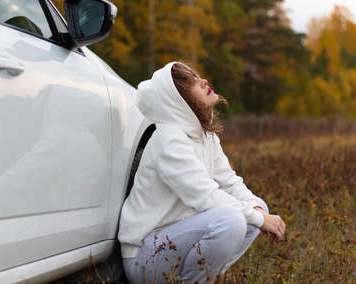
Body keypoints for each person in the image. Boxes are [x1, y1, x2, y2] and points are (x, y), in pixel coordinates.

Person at [118, 61, 286, 283]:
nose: (203, 81)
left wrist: (259, 213)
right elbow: (205, 197)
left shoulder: (205, 136)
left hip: (176, 240)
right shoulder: (169, 139)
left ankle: (200, 279)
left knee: (257, 208)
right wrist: (260, 219)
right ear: (178, 101)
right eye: (192, 83)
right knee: (232, 220)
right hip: (145, 257)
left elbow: (229, 182)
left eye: (196, 77)